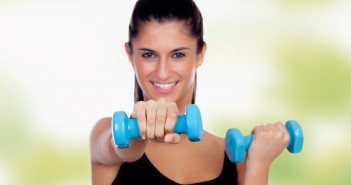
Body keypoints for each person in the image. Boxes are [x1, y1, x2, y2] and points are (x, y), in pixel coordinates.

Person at [89, 0, 290, 184]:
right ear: (130, 54)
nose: (163, 72)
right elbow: (121, 148)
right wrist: (138, 129)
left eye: (178, 55)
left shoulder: (234, 156)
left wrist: (258, 166)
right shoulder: (106, 134)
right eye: (149, 55)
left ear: (200, 54)